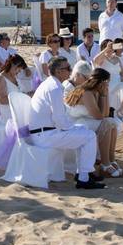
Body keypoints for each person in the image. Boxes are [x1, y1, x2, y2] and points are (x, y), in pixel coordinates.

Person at [29, 57, 105, 190]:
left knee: (83, 130)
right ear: (58, 71)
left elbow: (59, 120)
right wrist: (71, 128)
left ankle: (82, 174)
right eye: (68, 68)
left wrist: (74, 128)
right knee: (89, 136)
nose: (70, 71)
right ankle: (84, 177)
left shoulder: (50, 84)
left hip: (44, 132)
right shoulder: (54, 88)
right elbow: (60, 120)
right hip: (45, 135)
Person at [65, 68, 123, 178]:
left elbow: (104, 114)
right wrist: (104, 95)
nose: (108, 85)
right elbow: (99, 116)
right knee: (108, 123)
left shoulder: (96, 92)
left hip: (87, 121)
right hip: (77, 123)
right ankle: (105, 164)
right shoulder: (87, 93)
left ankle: (111, 160)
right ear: (101, 82)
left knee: (112, 123)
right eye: (107, 82)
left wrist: (104, 95)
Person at [93, 39, 123, 119]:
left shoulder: (116, 58)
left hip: (119, 82)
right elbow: (95, 60)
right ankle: (122, 113)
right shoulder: (102, 59)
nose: (111, 49)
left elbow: (122, 72)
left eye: (112, 47)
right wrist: (106, 49)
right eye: (110, 47)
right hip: (109, 83)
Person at [0, 55, 29, 121]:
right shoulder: (0, 79)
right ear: (12, 65)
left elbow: (20, 92)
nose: (19, 71)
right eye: (18, 68)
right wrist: (22, 97)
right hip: (8, 114)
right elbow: (2, 100)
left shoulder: (15, 77)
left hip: (18, 110)